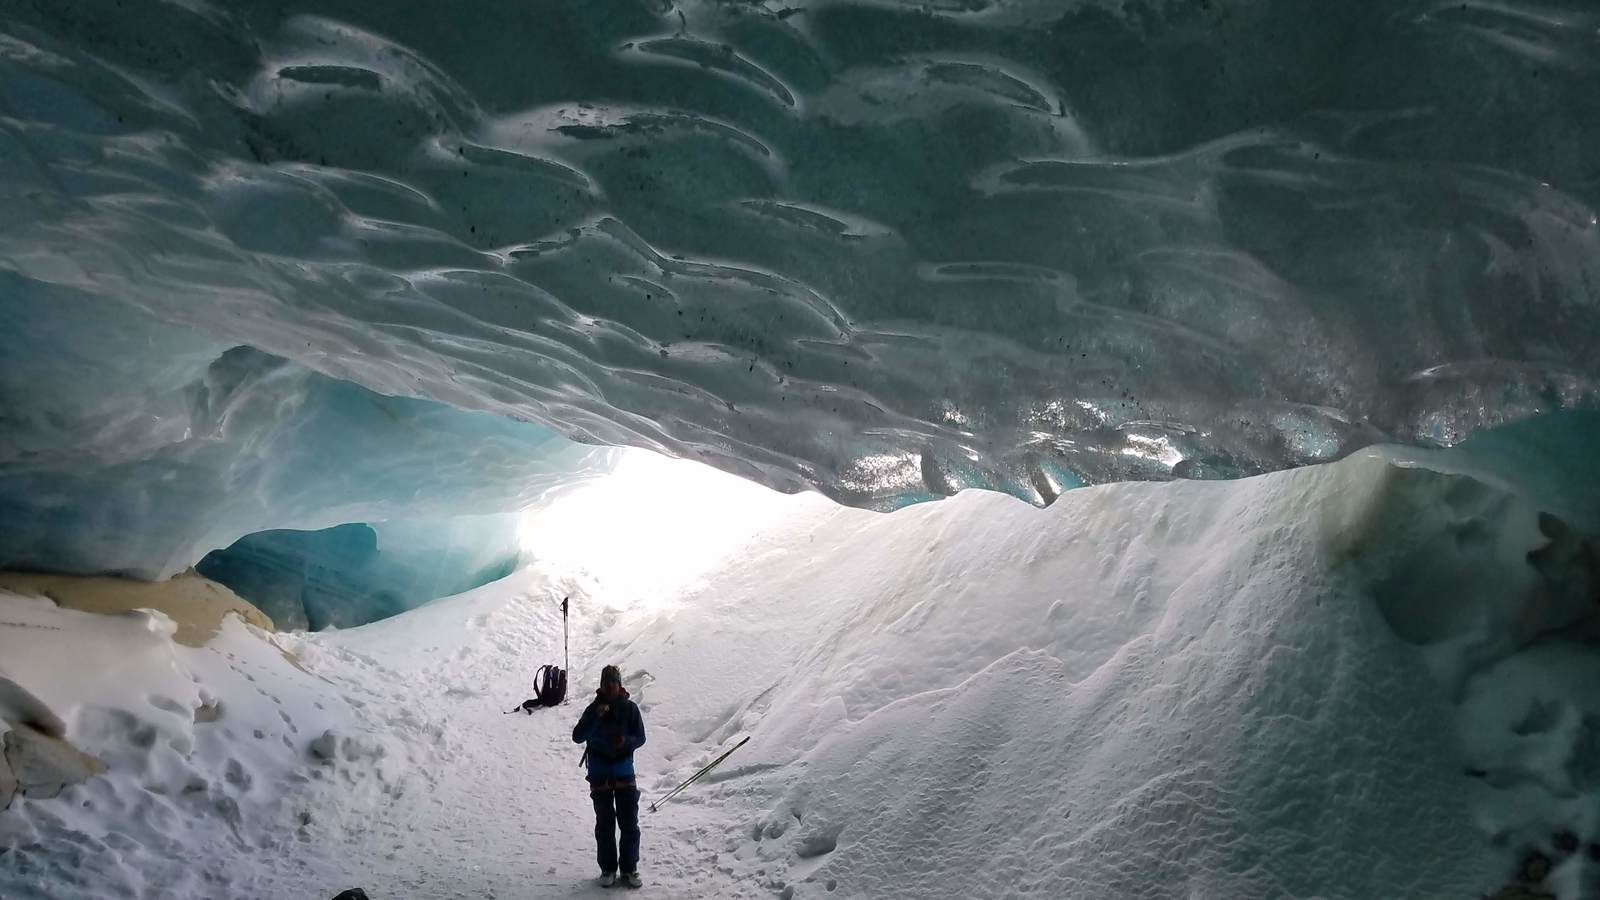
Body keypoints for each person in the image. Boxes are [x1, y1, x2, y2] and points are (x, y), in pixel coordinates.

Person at [572, 664, 647, 888]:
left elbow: (641, 737)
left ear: (620, 684)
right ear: (602, 686)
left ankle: (629, 869)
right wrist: (596, 716)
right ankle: (607, 869)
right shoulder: (592, 709)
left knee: (629, 824)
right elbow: (578, 736)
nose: (610, 686)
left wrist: (626, 742)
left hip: (624, 774)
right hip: (599, 776)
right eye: (606, 683)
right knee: (604, 825)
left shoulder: (631, 709)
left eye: (614, 682)